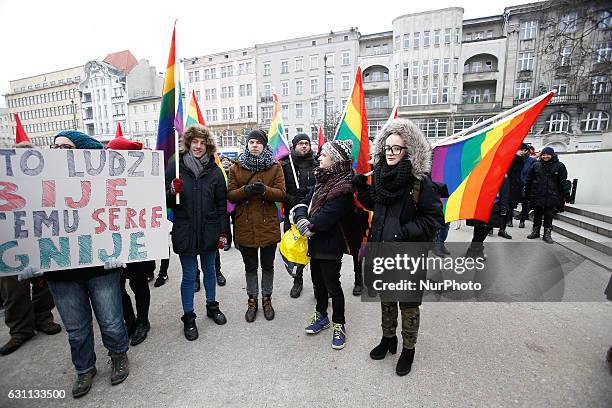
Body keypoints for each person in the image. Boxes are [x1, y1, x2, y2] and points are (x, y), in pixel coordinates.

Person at [37, 131, 130, 398]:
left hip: (102, 267)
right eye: (54, 147)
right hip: (61, 271)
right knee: (76, 329)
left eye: (66, 147)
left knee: (111, 321)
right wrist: (30, 258)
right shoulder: (42, 183)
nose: (58, 151)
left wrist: (122, 250)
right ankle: (84, 368)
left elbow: (122, 215)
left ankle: (118, 355)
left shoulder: (105, 184)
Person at [353, 119, 444, 375]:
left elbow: (434, 219)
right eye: (387, 148)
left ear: (408, 151)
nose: (390, 153)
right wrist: (361, 190)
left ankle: (408, 349)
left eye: (396, 148)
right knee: (387, 300)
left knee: (408, 304)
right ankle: (388, 339)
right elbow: (377, 206)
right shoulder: (380, 177)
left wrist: (403, 232)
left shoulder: (419, 182)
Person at [167, 124, 229, 341]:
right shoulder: (176, 167)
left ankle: (212, 306)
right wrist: (172, 191)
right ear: (188, 143)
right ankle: (189, 316)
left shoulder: (215, 171)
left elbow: (222, 204)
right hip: (185, 229)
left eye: (203, 143)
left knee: (210, 270)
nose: (199, 146)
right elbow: (164, 201)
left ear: (207, 146)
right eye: (195, 142)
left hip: (210, 229)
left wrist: (224, 232)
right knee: (189, 274)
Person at [0, 141, 62, 356]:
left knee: (45, 285)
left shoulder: (47, 181)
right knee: (13, 291)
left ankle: (43, 318)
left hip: (44, 243)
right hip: (11, 247)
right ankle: (20, 330)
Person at [293, 139, 355, 350]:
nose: (319, 157)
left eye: (324, 155)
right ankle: (321, 316)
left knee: (332, 286)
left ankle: (339, 323)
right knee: (317, 283)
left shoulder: (344, 185)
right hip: (315, 242)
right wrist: (301, 218)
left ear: (335, 159)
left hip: (331, 244)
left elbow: (330, 214)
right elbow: (304, 201)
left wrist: (309, 225)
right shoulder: (322, 179)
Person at [227, 130, 286, 322]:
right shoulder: (236, 166)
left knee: (268, 266)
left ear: (264, 145)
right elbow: (230, 195)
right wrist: (246, 190)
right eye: (251, 142)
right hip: (245, 224)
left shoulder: (275, 166)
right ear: (247, 144)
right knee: (250, 267)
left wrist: (264, 191)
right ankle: (252, 300)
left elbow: (281, 194)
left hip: (267, 223)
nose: (254, 145)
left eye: (258, 142)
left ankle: (267, 299)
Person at [106, 137, 154, 346]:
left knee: (139, 283)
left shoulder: (144, 178)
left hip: (137, 242)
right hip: (111, 242)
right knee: (117, 286)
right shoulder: (101, 178)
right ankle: (130, 321)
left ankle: (143, 321)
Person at [281, 133, 318, 298]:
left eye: (307, 143)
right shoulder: (286, 165)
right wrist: (294, 200)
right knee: (295, 250)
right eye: (301, 143)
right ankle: (297, 280)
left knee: (316, 250)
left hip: (313, 213)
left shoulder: (317, 165)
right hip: (292, 214)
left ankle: (319, 285)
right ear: (294, 146)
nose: (304, 146)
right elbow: (280, 191)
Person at [525, 146, 569, 244]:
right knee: (537, 215)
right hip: (538, 194)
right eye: (544, 154)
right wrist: (526, 193)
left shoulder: (559, 166)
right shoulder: (536, 165)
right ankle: (535, 231)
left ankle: (547, 234)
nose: (545, 156)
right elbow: (529, 180)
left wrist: (565, 193)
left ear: (552, 155)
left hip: (552, 195)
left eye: (548, 154)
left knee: (549, 215)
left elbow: (563, 181)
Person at [518, 143, 536, 228]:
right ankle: (509, 220)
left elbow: (533, 173)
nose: (522, 151)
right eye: (521, 150)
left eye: (524, 150)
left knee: (525, 204)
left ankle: (522, 220)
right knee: (511, 203)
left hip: (526, 185)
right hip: (516, 184)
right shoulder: (515, 159)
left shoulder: (532, 161)